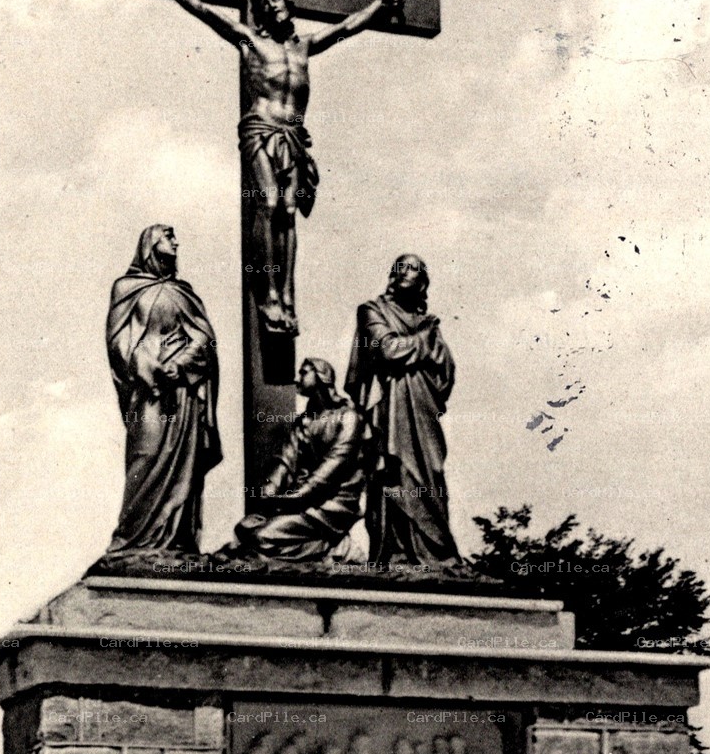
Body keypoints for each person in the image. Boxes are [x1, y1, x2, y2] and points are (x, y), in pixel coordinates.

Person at [130, 0, 405, 336]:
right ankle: (269, 294)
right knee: (270, 202)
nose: (275, 5)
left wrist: (380, 5)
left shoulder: (304, 47)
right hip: (260, 128)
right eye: (267, 2)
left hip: (292, 136)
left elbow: (346, 27)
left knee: (289, 210)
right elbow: (201, 9)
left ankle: (286, 295)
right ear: (259, 14)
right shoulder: (249, 42)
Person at [104, 225, 221, 562]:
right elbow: (117, 340)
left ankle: (176, 542)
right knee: (147, 455)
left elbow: (205, 338)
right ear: (151, 243)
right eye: (169, 237)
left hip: (183, 391)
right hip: (150, 390)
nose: (177, 242)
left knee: (184, 465)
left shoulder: (183, 292)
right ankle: (132, 541)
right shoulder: (126, 288)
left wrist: (182, 365)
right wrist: (146, 363)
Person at [346, 254, 459, 566]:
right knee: (394, 473)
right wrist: (425, 343)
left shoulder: (429, 323)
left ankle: (435, 553)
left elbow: (446, 371)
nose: (406, 271)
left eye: (414, 268)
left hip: (423, 408)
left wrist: (426, 354)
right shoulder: (372, 311)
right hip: (390, 408)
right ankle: (395, 553)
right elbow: (386, 350)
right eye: (401, 266)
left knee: (431, 472)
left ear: (423, 283)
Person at [230, 359, 365, 561]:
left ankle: (331, 548)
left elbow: (329, 470)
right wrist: (271, 488)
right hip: (298, 502)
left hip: (328, 507)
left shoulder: (348, 418)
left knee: (260, 536)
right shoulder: (303, 421)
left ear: (322, 376)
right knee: (243, 528)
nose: (297, 379)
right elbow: (285, 461)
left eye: (303, 373)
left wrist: (293, 499)